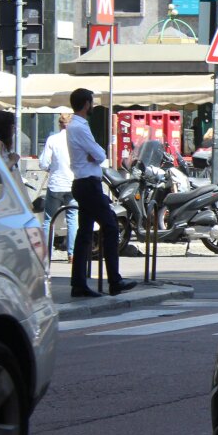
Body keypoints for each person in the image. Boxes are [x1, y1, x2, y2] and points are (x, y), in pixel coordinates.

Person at [67, 88, 135, 298]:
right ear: (86, 104)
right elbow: (99, 154)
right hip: (88, 183)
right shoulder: (79, 127)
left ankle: (79, 283)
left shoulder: (74, 126)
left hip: (83, 182)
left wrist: (94, 155)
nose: (93, 105)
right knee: (110, 225)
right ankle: (114, 280)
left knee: (85, 233)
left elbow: (95, 155)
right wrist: (94, 155)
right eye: (92, 101)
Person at [39, 112, 78, 264]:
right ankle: (72, 254)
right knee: (73, 219)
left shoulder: (52, 139)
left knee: (49, 220)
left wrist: (52, 169)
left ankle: (46, 255)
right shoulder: (76, 139)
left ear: (59, 124)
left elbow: (43, 163)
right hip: (73, 183)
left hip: (56, 184)